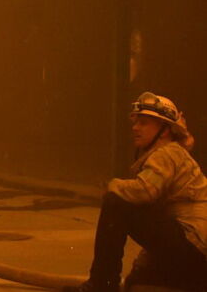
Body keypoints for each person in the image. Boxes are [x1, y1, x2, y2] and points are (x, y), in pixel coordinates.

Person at [66, 92, 207, 292]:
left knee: (115, 202)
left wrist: (112, 185)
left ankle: (101, 284)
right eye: (136, 122)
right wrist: (142, 266)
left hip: (192, 250)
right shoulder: (173, 154)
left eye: (144, 123)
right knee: (136, 283)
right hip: (197, 258)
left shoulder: (166, 154)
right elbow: (160, 219)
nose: (135, 128)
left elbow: (144, 192)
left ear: (165, 130)